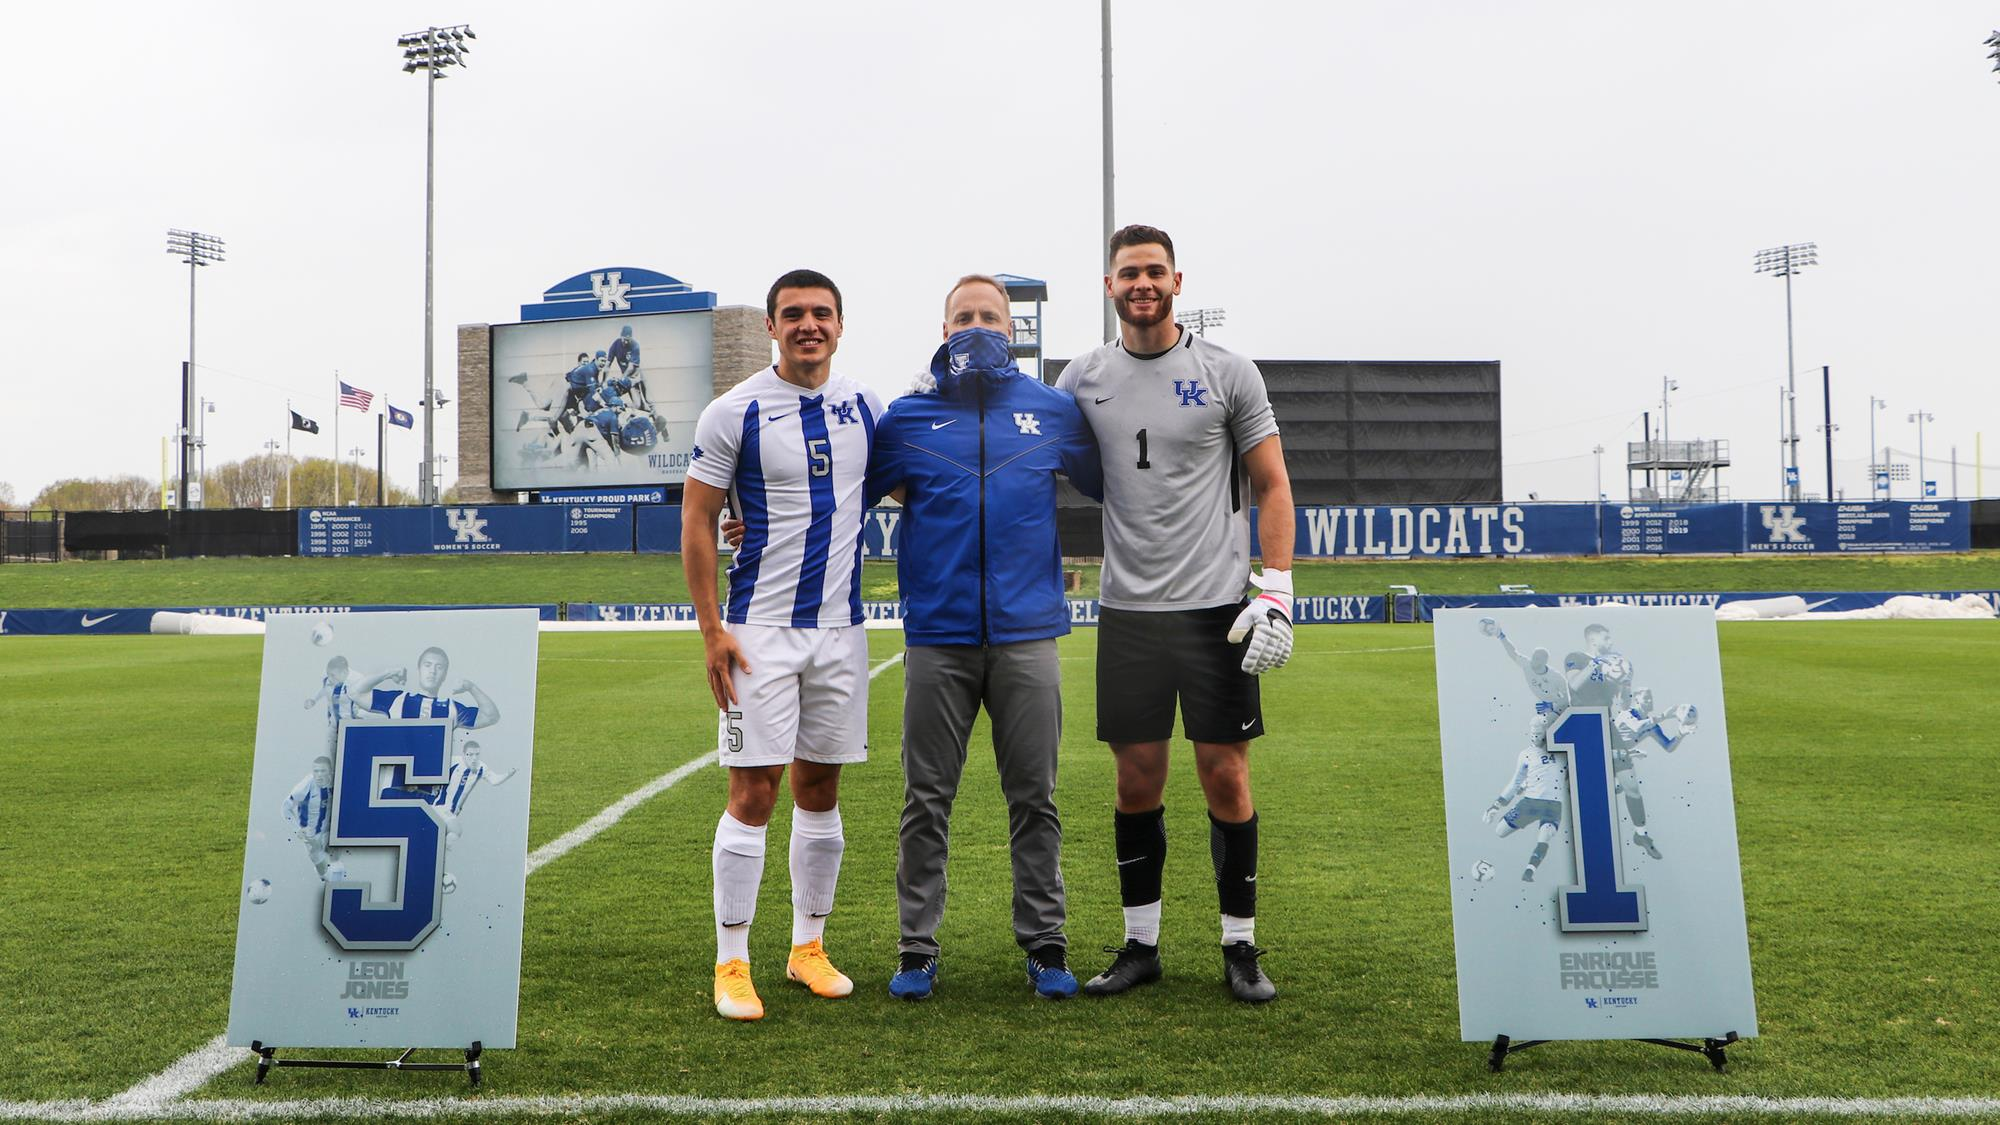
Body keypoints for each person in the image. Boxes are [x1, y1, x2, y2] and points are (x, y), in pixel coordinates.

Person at [1056, 224, 1296, 1003]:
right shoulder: (1081, 376)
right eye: (1129, 273)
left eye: (1154, 271)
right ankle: (1141, 944)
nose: (1142, 284)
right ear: (1109, 285)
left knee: (1225, 773)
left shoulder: (1229, 371)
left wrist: (1278, 589)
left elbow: (1273, 484)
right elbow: (1024, 453)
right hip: (1127, 611)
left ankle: (1240, 946)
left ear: (1177, 280)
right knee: (1137, 779)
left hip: (1216, 611)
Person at [865, 275, 1103, 1001]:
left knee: (1035, 796)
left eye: (989, 316)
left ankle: (1046, 942)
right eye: (964, 316)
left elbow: (1115, 484)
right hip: (938, 636)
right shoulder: (906, 417)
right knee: (925, 799)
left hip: (1029, 634)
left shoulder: (1054, 409)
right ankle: (916, 946)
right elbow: (846, 495)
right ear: (943, 328)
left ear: (1012, 329)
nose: (977, 326)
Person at [682, 269, 883, 1021]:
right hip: (759, 629)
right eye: (793, 313)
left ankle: (807, 947)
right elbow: (698, 521)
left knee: (821, 788)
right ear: (771, 325)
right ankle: (731, 959)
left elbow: (902, 484)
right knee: (755, 788)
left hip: (841, 629)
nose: (808, 324)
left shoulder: (865, 405)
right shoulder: (733, 412)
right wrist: (711, 629)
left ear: (839, 323)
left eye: (821, 313)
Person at [1478, 617, 1570, 746]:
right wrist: (1501, 636)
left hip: (1556, 709)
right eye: (1533, 657)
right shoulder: (1527, 665)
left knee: (1551, 735)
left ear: (1545, 661)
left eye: (1537, 658)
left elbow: (1569, 698)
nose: (1533, 660)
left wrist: (1553, 706)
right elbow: (1513, 652)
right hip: (1541, 706)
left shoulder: (1556, 677)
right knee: (1537, 733)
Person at [1482, 744, 1566, 882]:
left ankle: (1529, 871)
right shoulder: (1528, 753)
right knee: (1501, 831)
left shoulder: (1563, 750)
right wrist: (1496, 806)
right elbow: (1516, 782)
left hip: (1546, 804)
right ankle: (1528, 869)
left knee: (1544, 837)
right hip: (1539, 803)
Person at [281, 757, 335, 879]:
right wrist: (297, 830)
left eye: (323, 771)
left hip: (331, 828)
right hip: (311, 833)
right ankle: (324, 878)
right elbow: (285, 808)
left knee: (338, 863)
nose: (319, 775)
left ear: (330, 772)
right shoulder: (304, 787)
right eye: (316, 771)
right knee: (323, 871)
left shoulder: (338, 781)